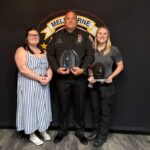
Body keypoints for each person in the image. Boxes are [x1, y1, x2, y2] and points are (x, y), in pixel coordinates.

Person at [47, 10, 94, 145]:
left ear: (77, 21)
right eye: (68, 18)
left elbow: (90, 54)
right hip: (62, 79)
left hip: (80, 79)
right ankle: (62, 132)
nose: (71, 20)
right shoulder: (56, 36)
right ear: (64, 21)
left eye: (73, 18)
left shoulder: (84, 36)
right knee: (63, 106)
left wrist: (83, 69)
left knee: (79, 107)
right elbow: (50, 54)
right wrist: (56, 69)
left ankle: (80, 133)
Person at [15, 28, 53, 146]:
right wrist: (39, 78)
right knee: (30, 109)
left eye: (36, 35)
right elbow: (23, 68)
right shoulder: (21, 50)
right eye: (31, 35)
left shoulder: (43, 51)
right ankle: (31, 134)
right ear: (26, 37)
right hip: (29, 84)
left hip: (43, 85)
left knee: (42, 107)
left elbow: (48, 68)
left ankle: (42, 129)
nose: (34, 36)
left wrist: (49, 78)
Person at [87, 26, 124, 147]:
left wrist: (111, 76)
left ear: (107, 36)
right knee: (95, 111)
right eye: (100, 33)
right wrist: (91, 75)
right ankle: (96, 132)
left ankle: (102, 137)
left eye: (105, 34)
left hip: (107, 87)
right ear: (96, 36)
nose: (102, 36)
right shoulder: (91, 50)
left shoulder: (113, 50)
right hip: (94, 86)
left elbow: (120, 66)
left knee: (105, 112)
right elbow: (89, 67)